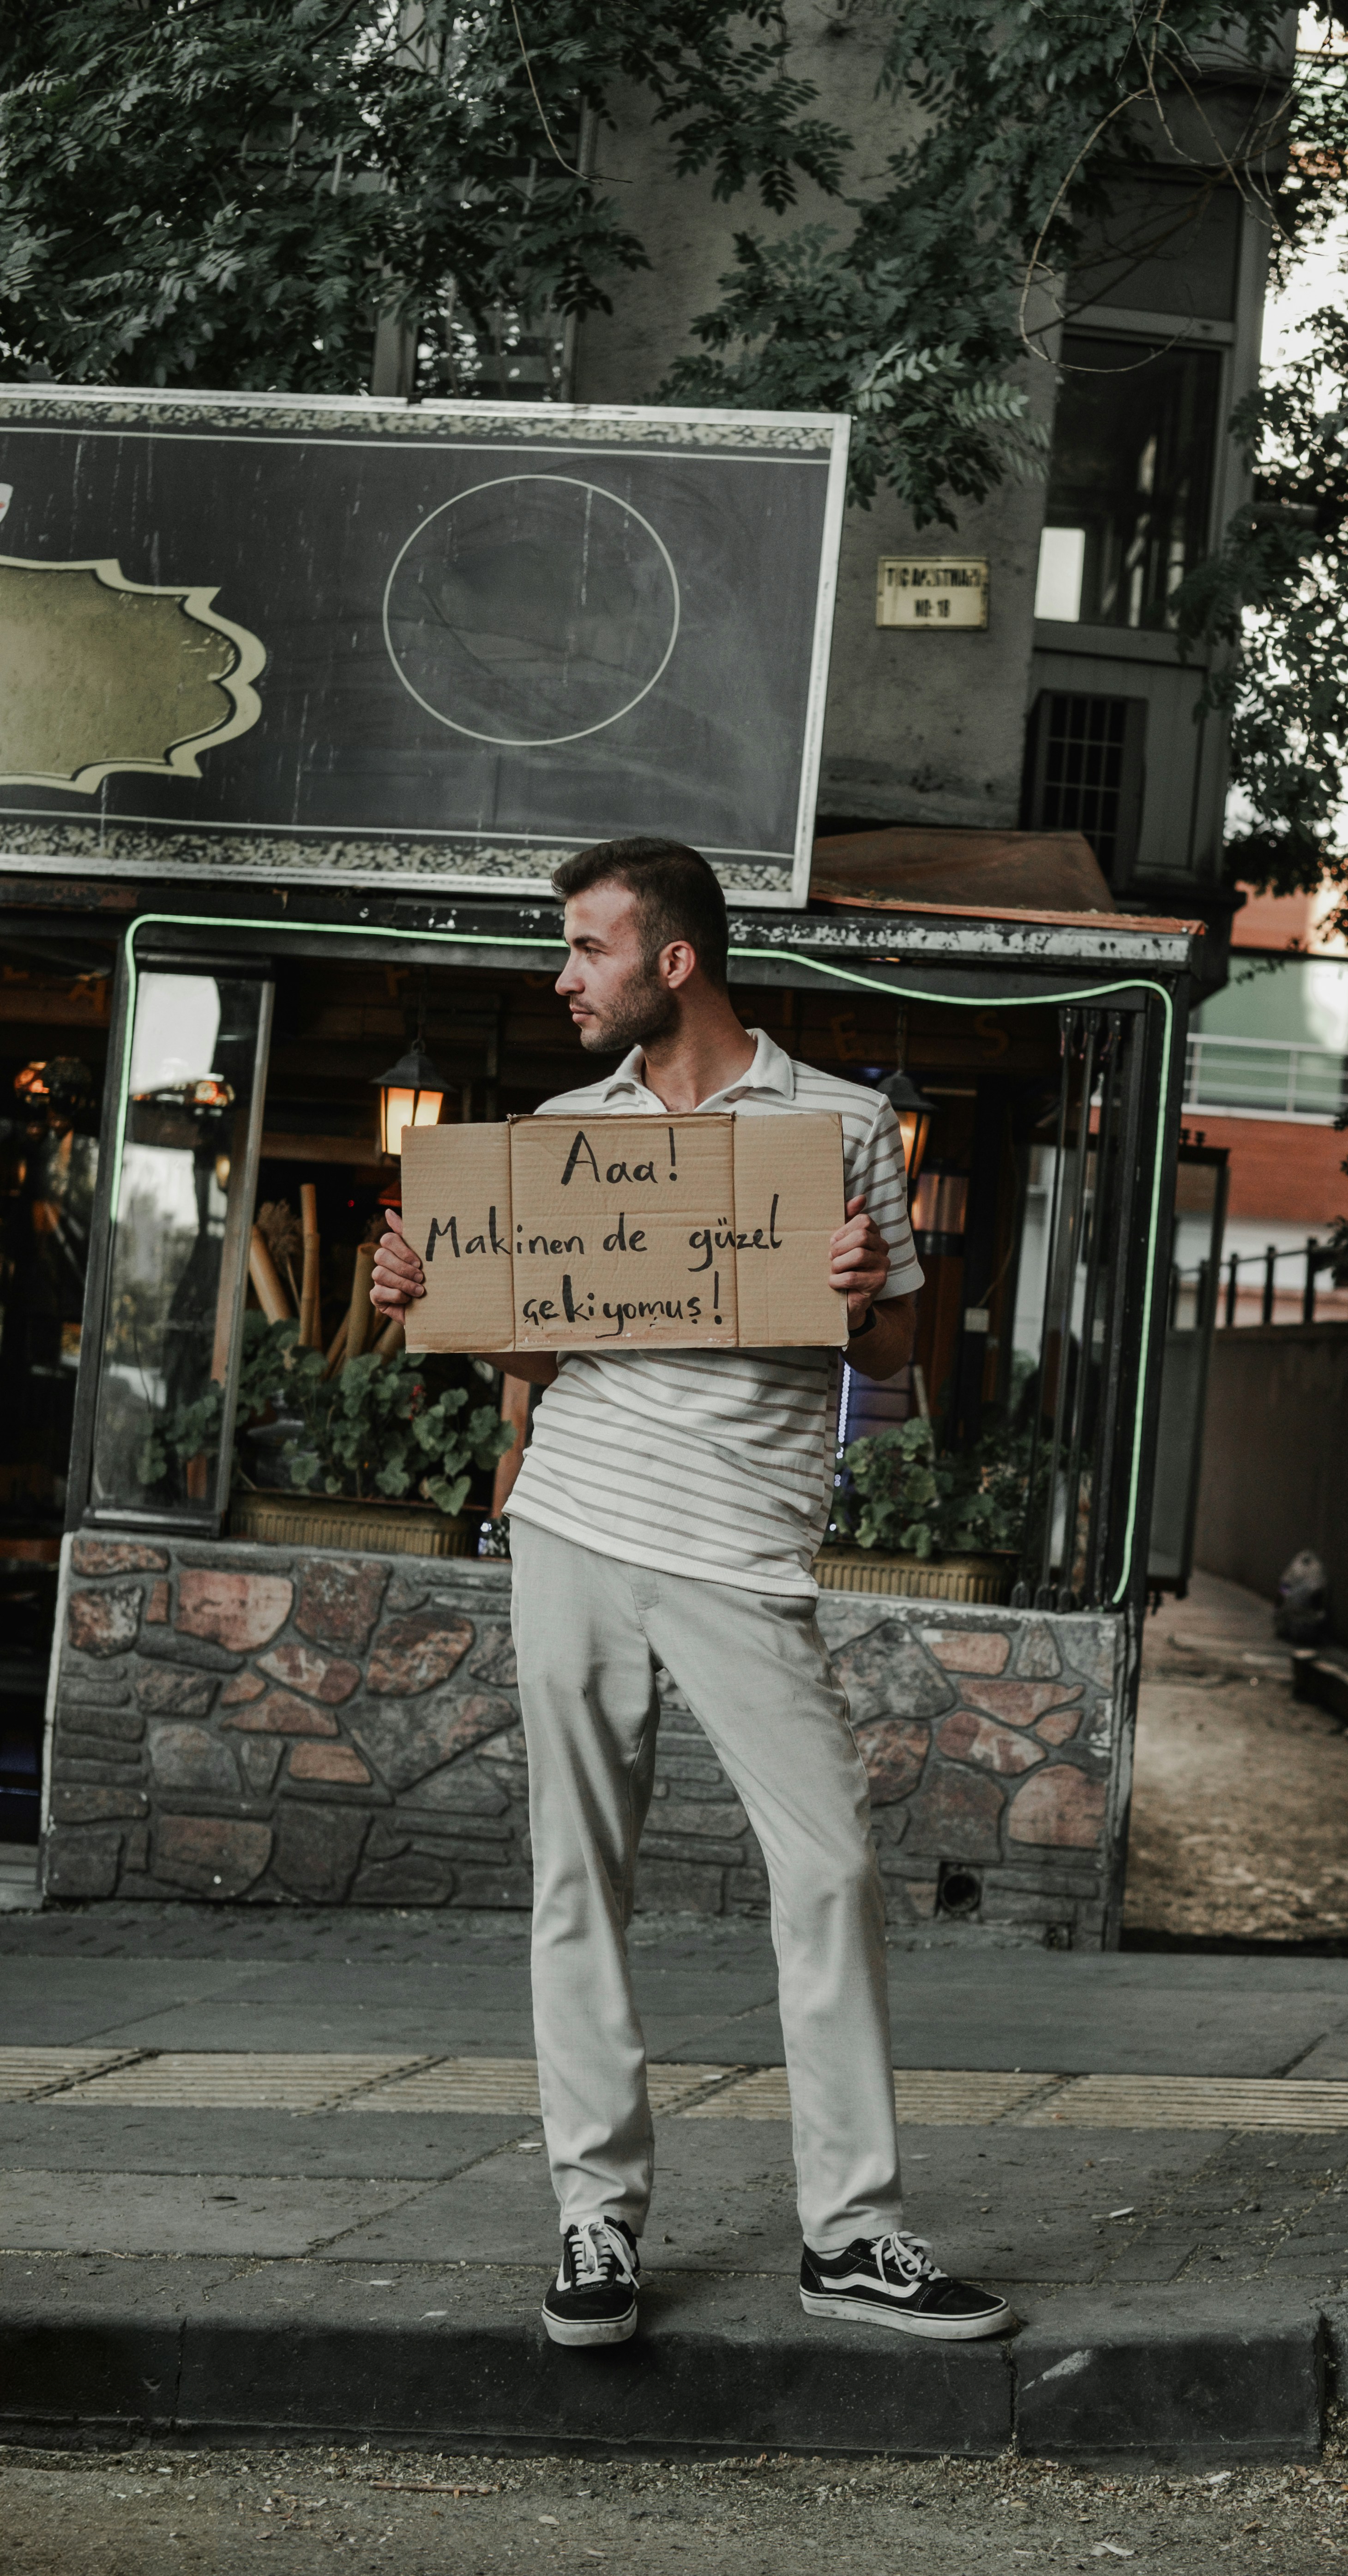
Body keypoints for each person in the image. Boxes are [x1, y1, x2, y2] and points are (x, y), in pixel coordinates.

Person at [372, 836, 1015, 2354]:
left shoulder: (842, 1128)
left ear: (673, 962)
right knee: (574, 1880)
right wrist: (437, 1303)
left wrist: (866, 1301)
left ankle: (851, 2237)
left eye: (585, 949)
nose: (561, 976)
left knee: (833, 1875)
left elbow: (896, 1373)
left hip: (741, 1556)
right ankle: (594, 2221)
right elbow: (534, 1363)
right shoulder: (554, 1135)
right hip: (576, 1533)